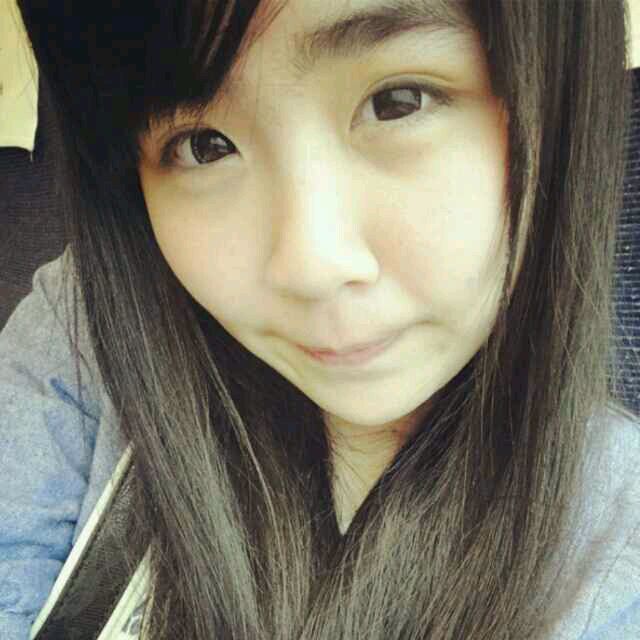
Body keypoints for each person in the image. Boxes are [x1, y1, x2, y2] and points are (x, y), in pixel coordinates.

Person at [2, 0, 639, 638]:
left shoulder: (617, 559)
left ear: (556, 91)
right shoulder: (83, 324)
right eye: (204, 146)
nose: (311, 267)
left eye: (397, 102)